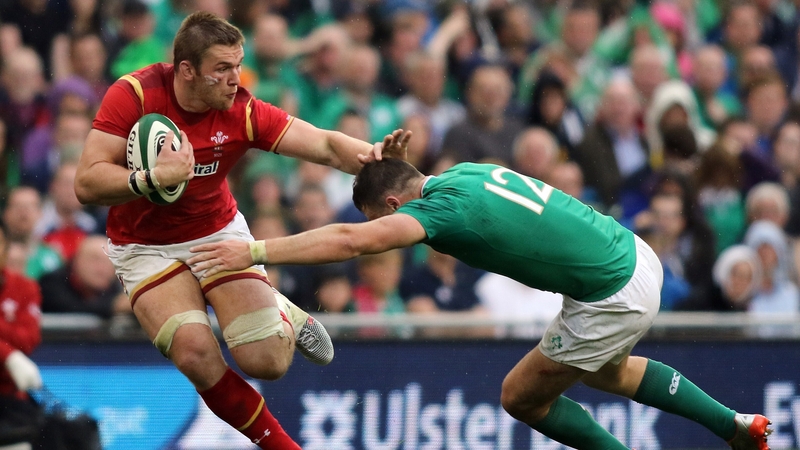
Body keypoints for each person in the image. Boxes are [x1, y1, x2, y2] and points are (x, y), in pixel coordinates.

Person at [190, 157, 773, 450]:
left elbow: (347, 240)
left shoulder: (434, 213)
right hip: (634, 256)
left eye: (382, 219)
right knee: (608, 371)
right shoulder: (466, 172)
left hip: (610, 294)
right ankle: (737, 426)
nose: (386, 232)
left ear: (393, 203)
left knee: (520, 396)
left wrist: (255, 250)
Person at [73, 12, 409, 449]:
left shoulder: (241, 110)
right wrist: (153, 177)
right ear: (186, 70)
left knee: (266, 361)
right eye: (222, 69)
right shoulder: (134, 94)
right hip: (143, 247)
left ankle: (281, 310)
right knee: (194, 352)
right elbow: (86, 183)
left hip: (215, 234)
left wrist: (382, 160)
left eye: (238, 65)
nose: (236, 79)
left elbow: (325, 144)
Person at [0, 220, 44, 448]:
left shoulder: (25, 287)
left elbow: (28, 340)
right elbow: (17, 343)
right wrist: (9, 355)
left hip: (10, 400)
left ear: (5, 248)